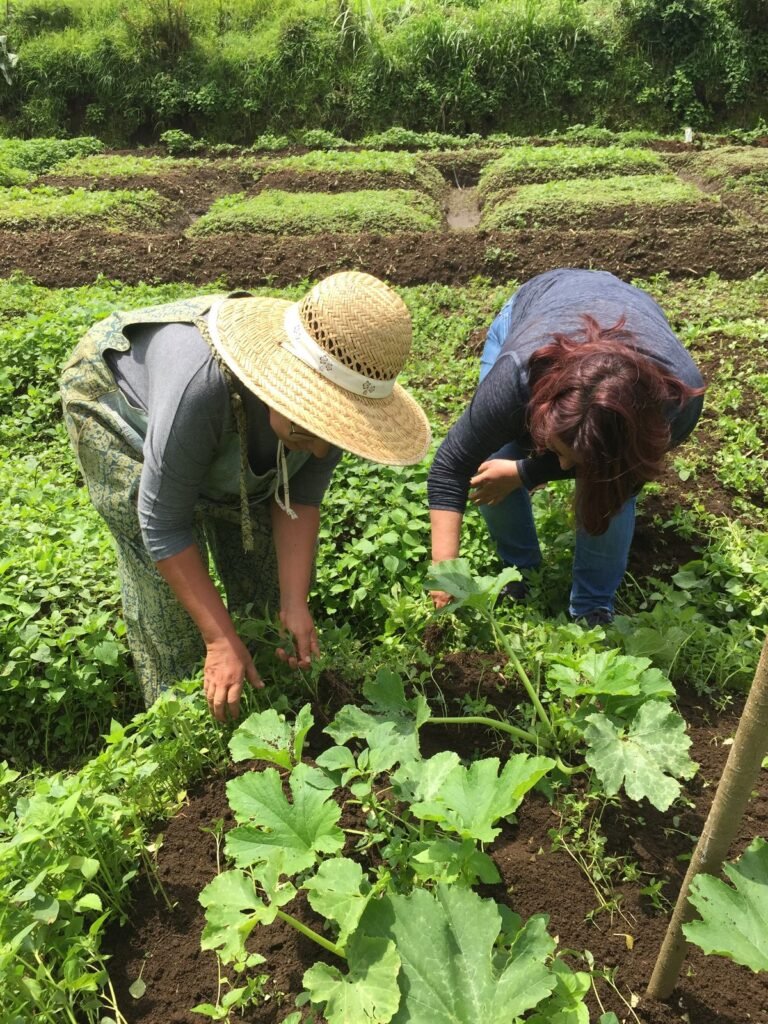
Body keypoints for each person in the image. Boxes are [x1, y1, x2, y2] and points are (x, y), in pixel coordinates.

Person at [60, 271, 431, 721]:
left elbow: (298, 499)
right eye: (310, 425)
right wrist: (218, 640)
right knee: (173, 603)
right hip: (119, 405)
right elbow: (161, 522)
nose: (318, 449)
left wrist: (294, 602)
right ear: (281, 379)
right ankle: (185, 721)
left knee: (266, 592)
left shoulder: (341, 400)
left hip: (218, 419)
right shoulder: (199, 386)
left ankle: (260, 699)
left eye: (331, 435)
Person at [428, 268, 705, 624]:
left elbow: (625, 473)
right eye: (556, 451)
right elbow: (451, 466)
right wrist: (445, 575)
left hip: (633, 313)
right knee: (493, 460)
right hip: (539, 306)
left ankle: (592, 608)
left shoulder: (676, 405)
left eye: (564, 459)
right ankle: (520, 575)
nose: (559, 469)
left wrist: (523, 472)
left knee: (612, 490)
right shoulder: (516, 379)